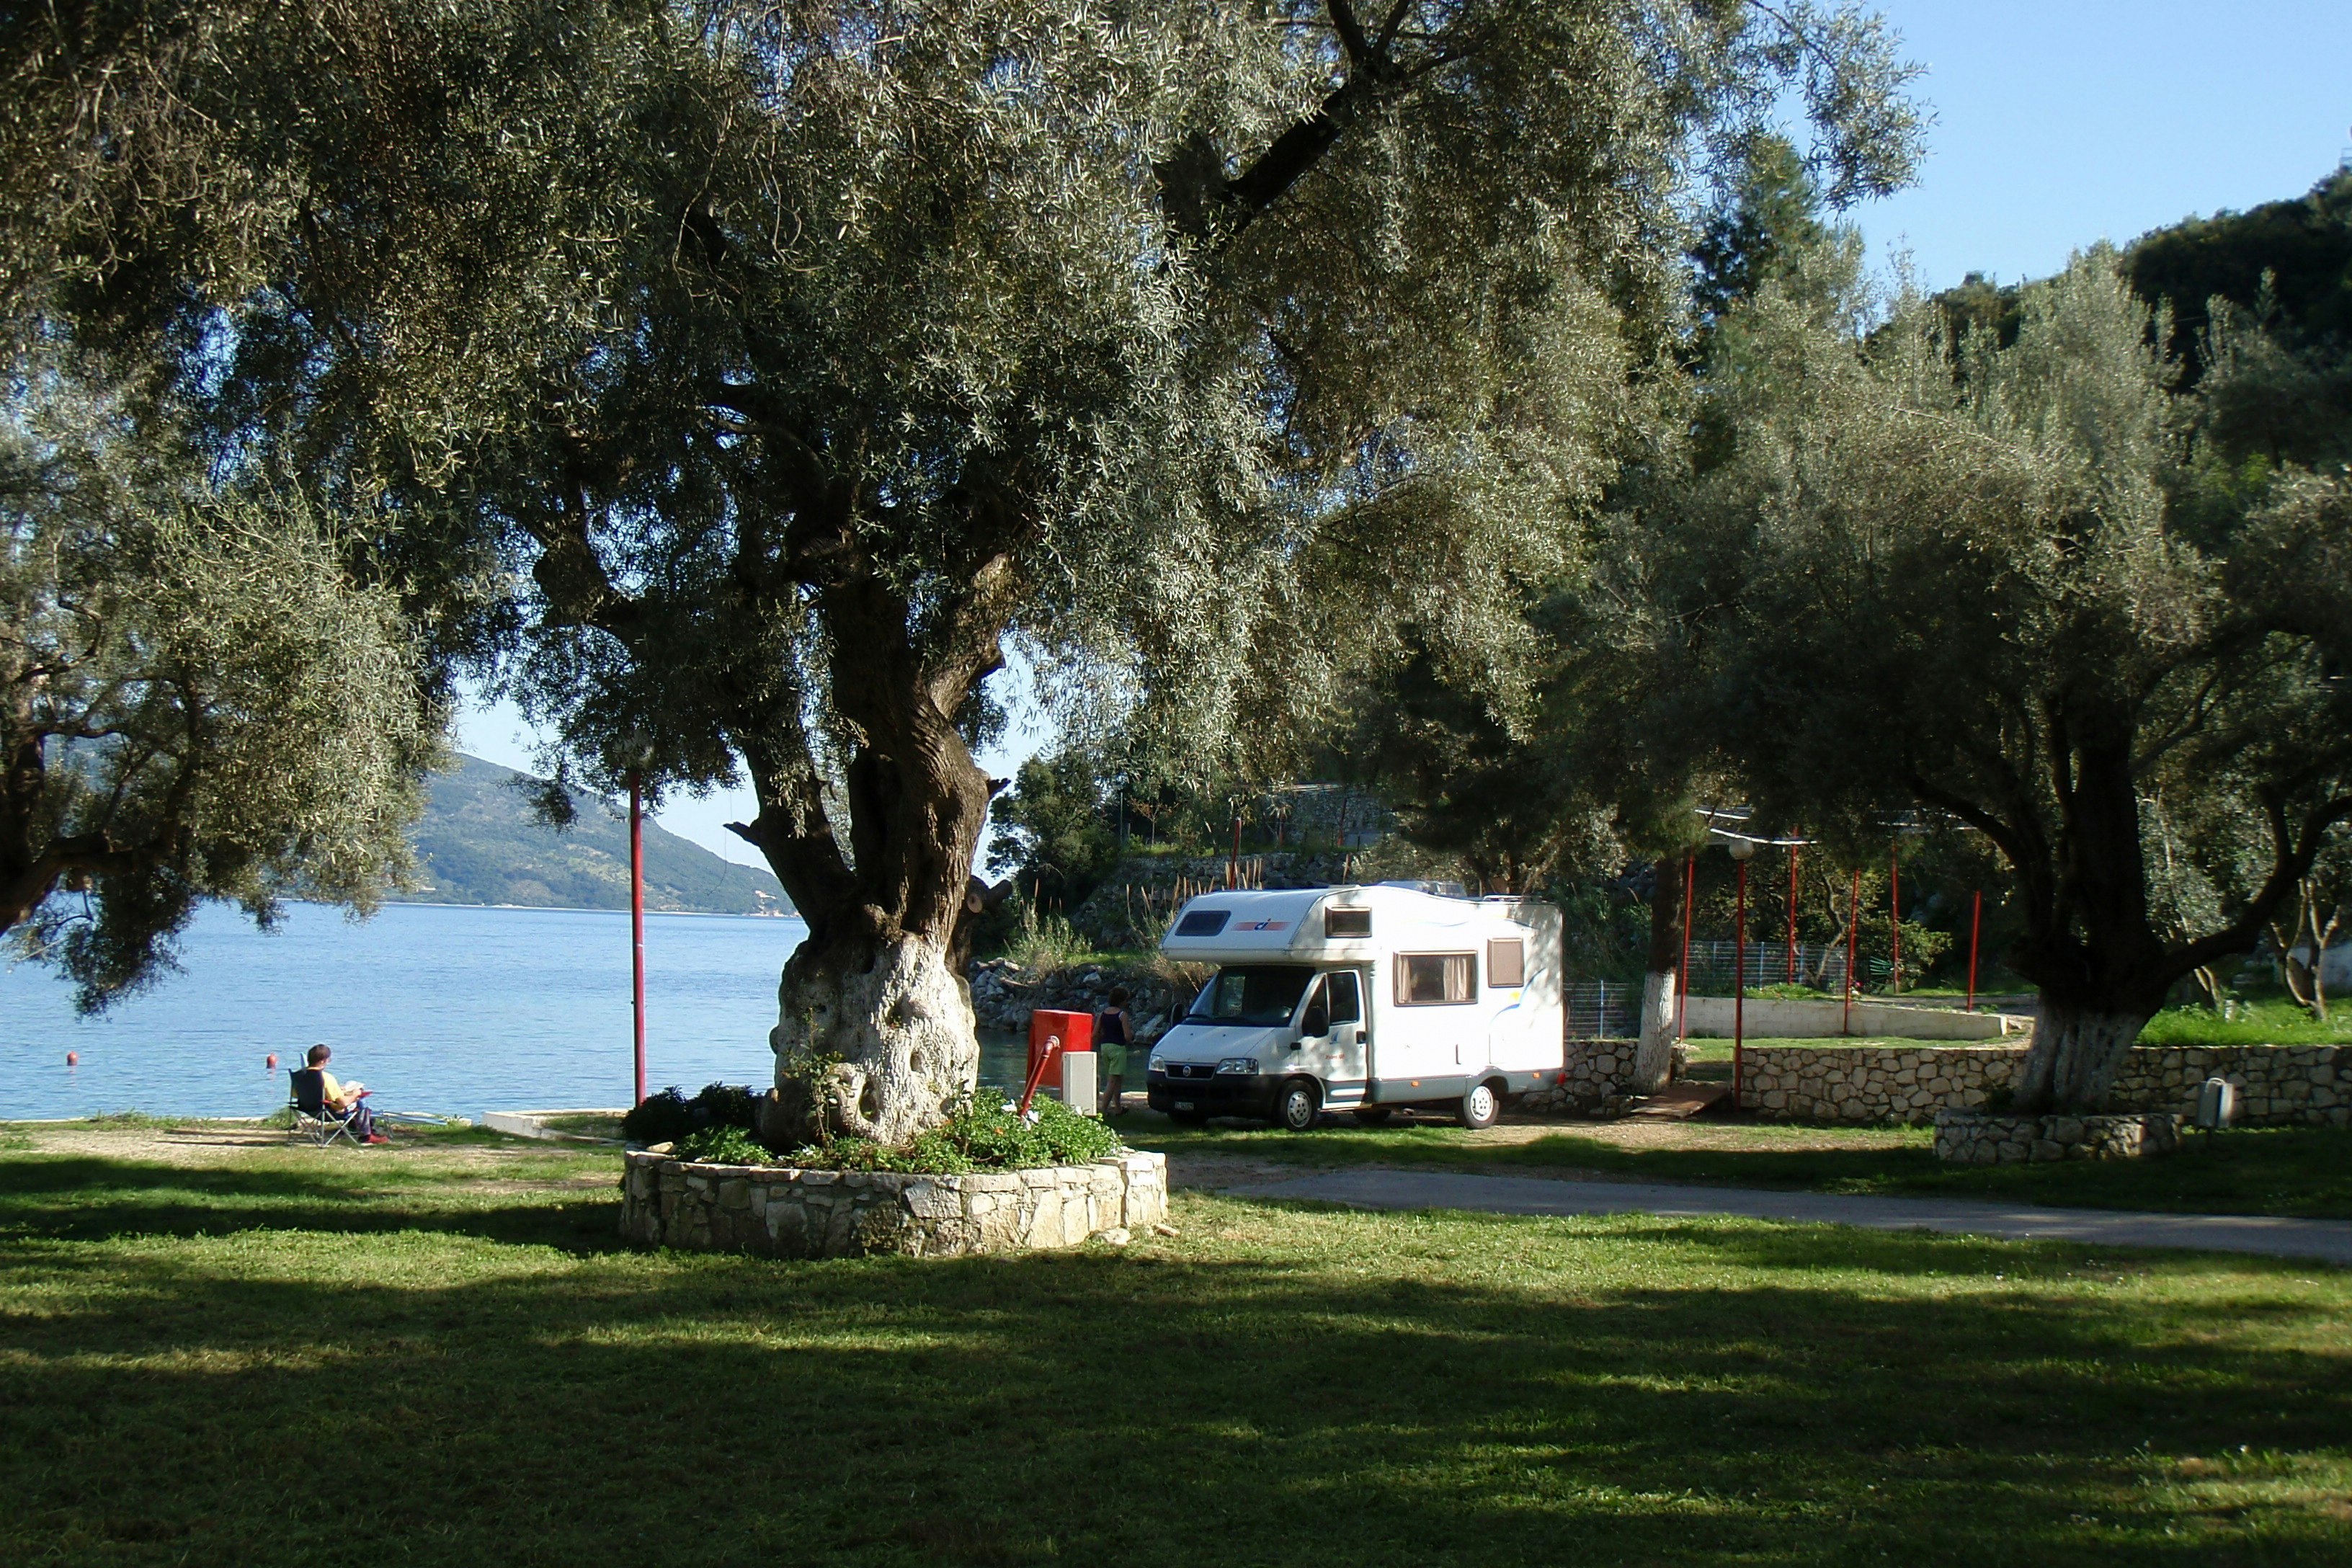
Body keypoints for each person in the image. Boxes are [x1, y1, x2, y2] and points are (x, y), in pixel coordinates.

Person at [306, 1043, 386, 1144]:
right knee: (361, 1100)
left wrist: (338, 1090)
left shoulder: (300, 1076)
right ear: (323, 1061)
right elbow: (343, 1103)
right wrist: (356, 1094)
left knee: (352, 1096)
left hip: (308, 1109)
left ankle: (357, 1129)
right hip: (328, 1113)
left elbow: (299, 1094)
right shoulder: (326, 1077)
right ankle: (366, 1136)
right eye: (328, 1059)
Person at [1096, 987, 1132, 1118]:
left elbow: (1095, 1033)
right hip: (1118, 1049)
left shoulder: (1103, 1014)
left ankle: (1118, 1108)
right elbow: (1127, 1036)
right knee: (1112, 1081)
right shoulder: (1122, 1015)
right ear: (1122, 1001)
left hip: (1105, 1047)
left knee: (1117, 1079)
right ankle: (1103, 1110)